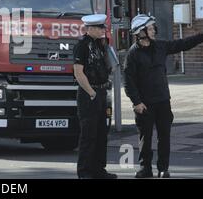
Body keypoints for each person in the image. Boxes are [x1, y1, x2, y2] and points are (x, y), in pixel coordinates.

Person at [124, 14, 203, 178]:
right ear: (141, 32)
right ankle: (145, 168)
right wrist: (137, 102)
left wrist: (201, 37)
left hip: (163, 101)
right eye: (150, 28)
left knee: (164, 137)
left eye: (153, 28)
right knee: (145, 138)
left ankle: (163, 168)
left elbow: (182, 44)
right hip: (144, 104)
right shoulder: (132, 54)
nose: (154, 31)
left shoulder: (160, 46)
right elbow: (128, 82)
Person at [73, 14, 117, 179]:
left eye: (103, 28)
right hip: (88, 94)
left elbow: (109, 66)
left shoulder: (101, 44)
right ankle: (84, 171)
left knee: (101, 134)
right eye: (100, 28)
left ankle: (99, 170)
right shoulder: (82, 45)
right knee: (88, 135)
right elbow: (78, 72)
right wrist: (91, 92)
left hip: (103, 92)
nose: (103, 30)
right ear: (90, 28)